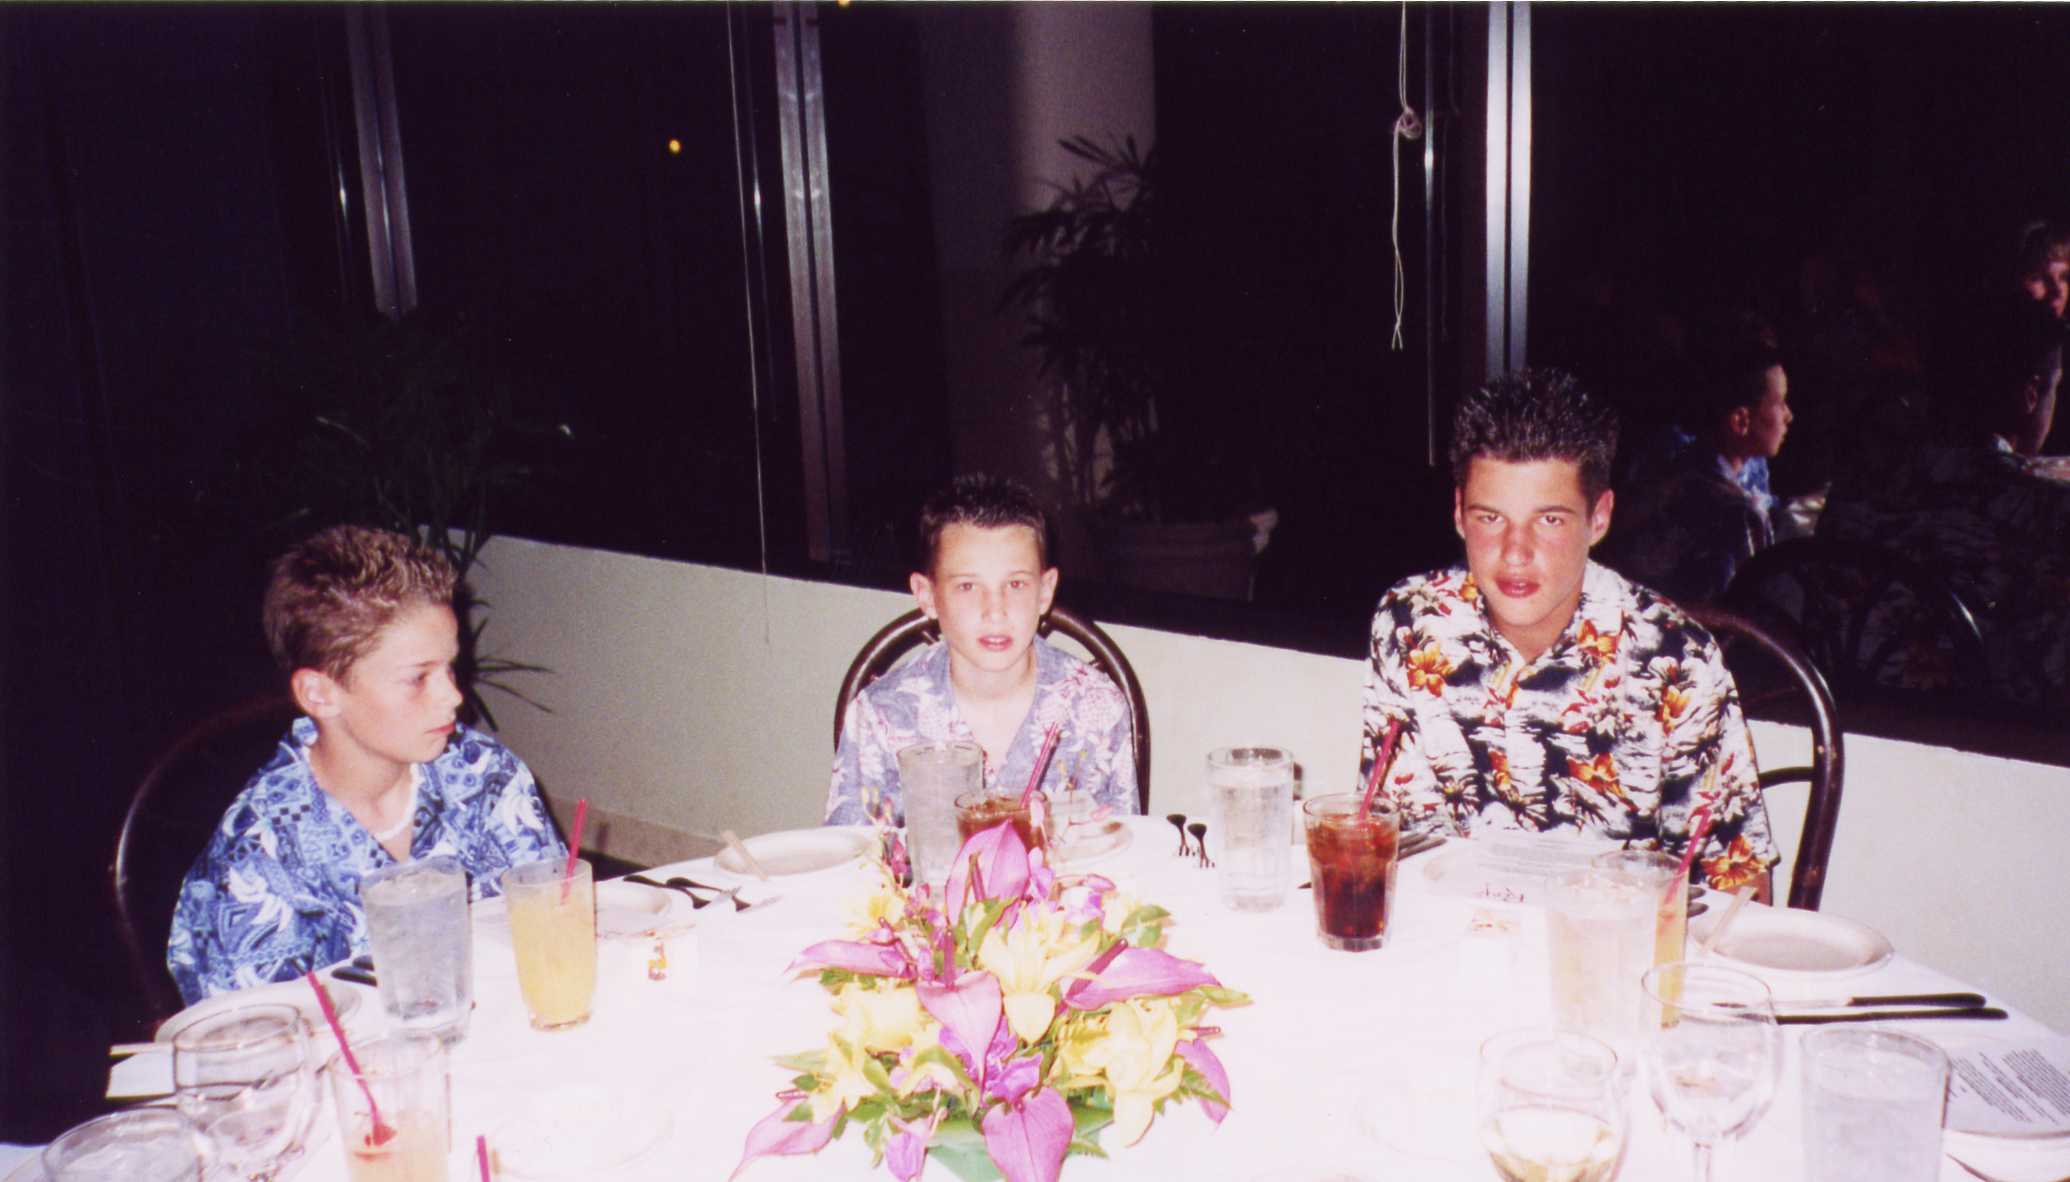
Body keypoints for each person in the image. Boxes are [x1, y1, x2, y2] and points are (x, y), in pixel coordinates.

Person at [1361, 369, 1777, 895]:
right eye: (1491, 518)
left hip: (1611, 941)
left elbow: (1742, 887)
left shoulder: (1676, 659)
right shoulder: (1410, 624)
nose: (1515, 553)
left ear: (1598, 517)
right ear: (1460, 514)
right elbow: (1382, 841)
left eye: (1550, 520)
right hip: (1448, 936)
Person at [168, 526, 564, 1003]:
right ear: (320, 694)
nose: (453, 696)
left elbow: (556, 932)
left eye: (449, 667)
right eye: (417, 678)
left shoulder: (486, 777)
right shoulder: (256, 862)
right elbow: (251, 1041)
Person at [825, 475, 1137, 826]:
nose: (995, 611)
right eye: (968, 586)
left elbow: (1129, 846)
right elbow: (851, 851)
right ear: (927, 596)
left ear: (1045, 591)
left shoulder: (1097, 706)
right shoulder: (882, 715)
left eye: (1016, 584)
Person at [1819, 300, 2070, 715]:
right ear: (2031, 395)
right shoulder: (2045, 509)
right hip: (1976, 730)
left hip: (1841, 711)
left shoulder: (1857, 485)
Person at [1602, 333, 1792, 604]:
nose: (1788, 415)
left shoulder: (1750, 466)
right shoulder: (1724, 507)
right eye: (1781, 403)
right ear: (1741, 422)